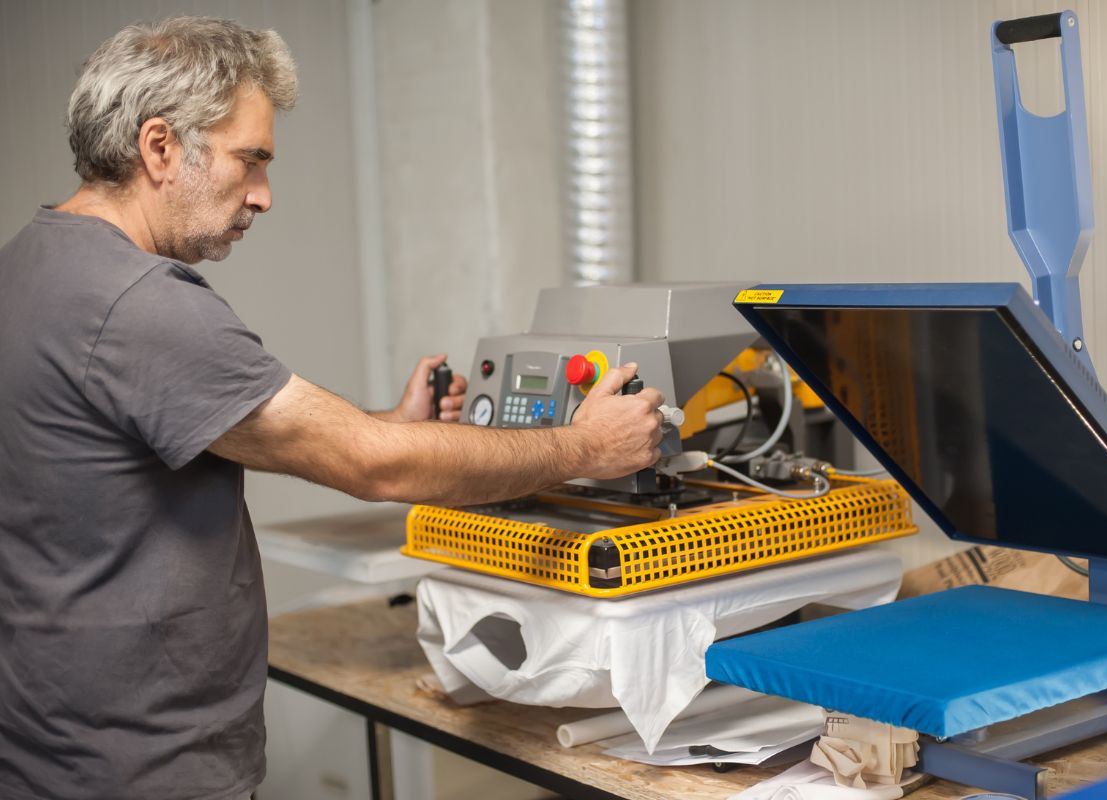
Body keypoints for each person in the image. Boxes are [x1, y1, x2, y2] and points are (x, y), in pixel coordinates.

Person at [0, 16, 665, 800]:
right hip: (142, 771)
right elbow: (372, 469)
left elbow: (278, 434)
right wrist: (587, 447)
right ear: (160, 148)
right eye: (251, 161)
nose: (264, 196)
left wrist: (393, 422)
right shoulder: (142, 307)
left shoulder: (33, 264)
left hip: (49, 747)